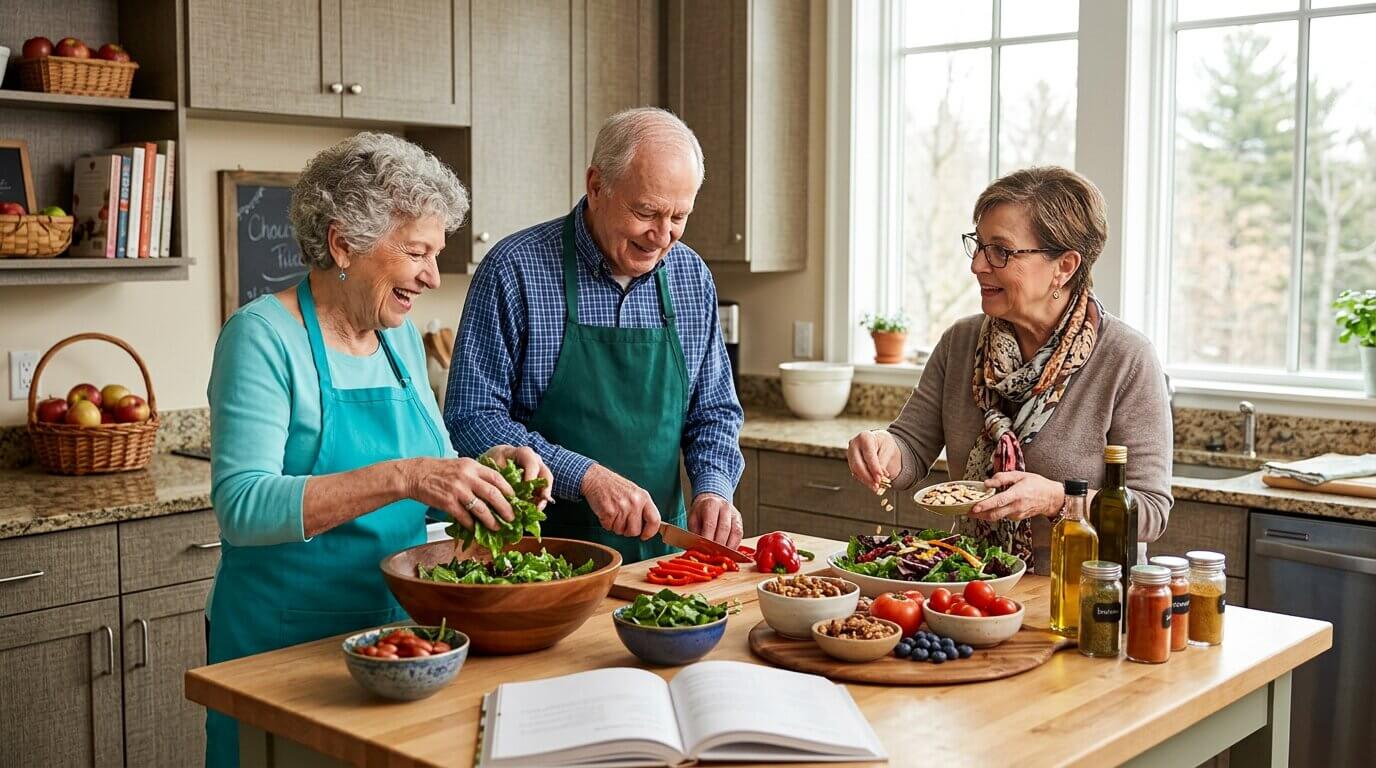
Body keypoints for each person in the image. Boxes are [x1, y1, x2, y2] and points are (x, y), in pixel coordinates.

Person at [204, 132, 550, 767]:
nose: (430, 275)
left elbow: (433, 479)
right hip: (286, 649)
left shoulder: (402, 342)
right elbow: (242, 506)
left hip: (401, 644)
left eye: (434, 253)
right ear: (343, 244)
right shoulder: (261, 337)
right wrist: (405, 476)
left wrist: (488, 472)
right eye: (415, 251)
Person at [446, 107, 745, 563]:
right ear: (596, 186)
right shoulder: (514, 270)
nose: (662, 236)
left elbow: (715, 412)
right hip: (537, 561)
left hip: (660, 563)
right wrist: (584, 476)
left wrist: (713, 489)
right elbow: (472, 419)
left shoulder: (691, 277)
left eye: (679, 216)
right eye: (646, 211)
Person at [847, 166, 1173, 565]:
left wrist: (1057, 499)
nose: (978, 265)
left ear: (1064, 266)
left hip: (1085, 594)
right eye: (979, 245)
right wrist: (882, 447)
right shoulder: (961, 343)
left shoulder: (1126, 358)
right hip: (980, 578)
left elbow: (1151, 512)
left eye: (1001, 250)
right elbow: (911, 449)